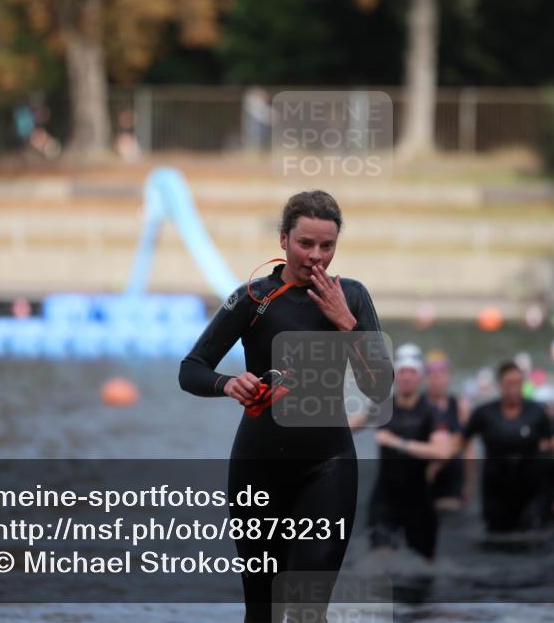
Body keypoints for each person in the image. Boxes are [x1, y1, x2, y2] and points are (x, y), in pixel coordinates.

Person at [179, 190, 393, 623]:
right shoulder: (253, 299)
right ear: (283, 239)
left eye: (327, 246)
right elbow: (191, 368)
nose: (316, 256)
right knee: (261, 611)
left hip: (327, 468)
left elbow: (380, 386)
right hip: (256, 467)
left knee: (307, 610)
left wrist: (347, 324)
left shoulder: (351, 297)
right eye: (305, 244)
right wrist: (226, 383)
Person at [382, 361, 554, 533]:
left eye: (518, 383)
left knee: (531, 539)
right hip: (495, 493)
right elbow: (457, 445)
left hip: (531, 491)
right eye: (508, 383)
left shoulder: (537, 412)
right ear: (500, 385)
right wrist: (433, 467)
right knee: (496, 542)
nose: (513, 389)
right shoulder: (485, 413)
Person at [368, 348, 448, 561]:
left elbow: (442, 452)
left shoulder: (431, 411)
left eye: (412, 372)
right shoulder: (383, 407)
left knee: (424, 568)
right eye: (402, 371)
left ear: (420, 376)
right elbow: (347, 426)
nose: (406, 377)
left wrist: (398, 442)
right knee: (380, 564)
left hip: (419, 499)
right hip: (384, 498)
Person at [421, 349, 474, 512]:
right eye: (431, 373)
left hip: (452, 477)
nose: (436, 378)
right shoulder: (417, 405)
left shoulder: (461, 407)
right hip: (422, 476)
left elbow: (469, 449)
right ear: (424, 377)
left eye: (441, 372)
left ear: (448, 376)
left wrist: (469, 484)